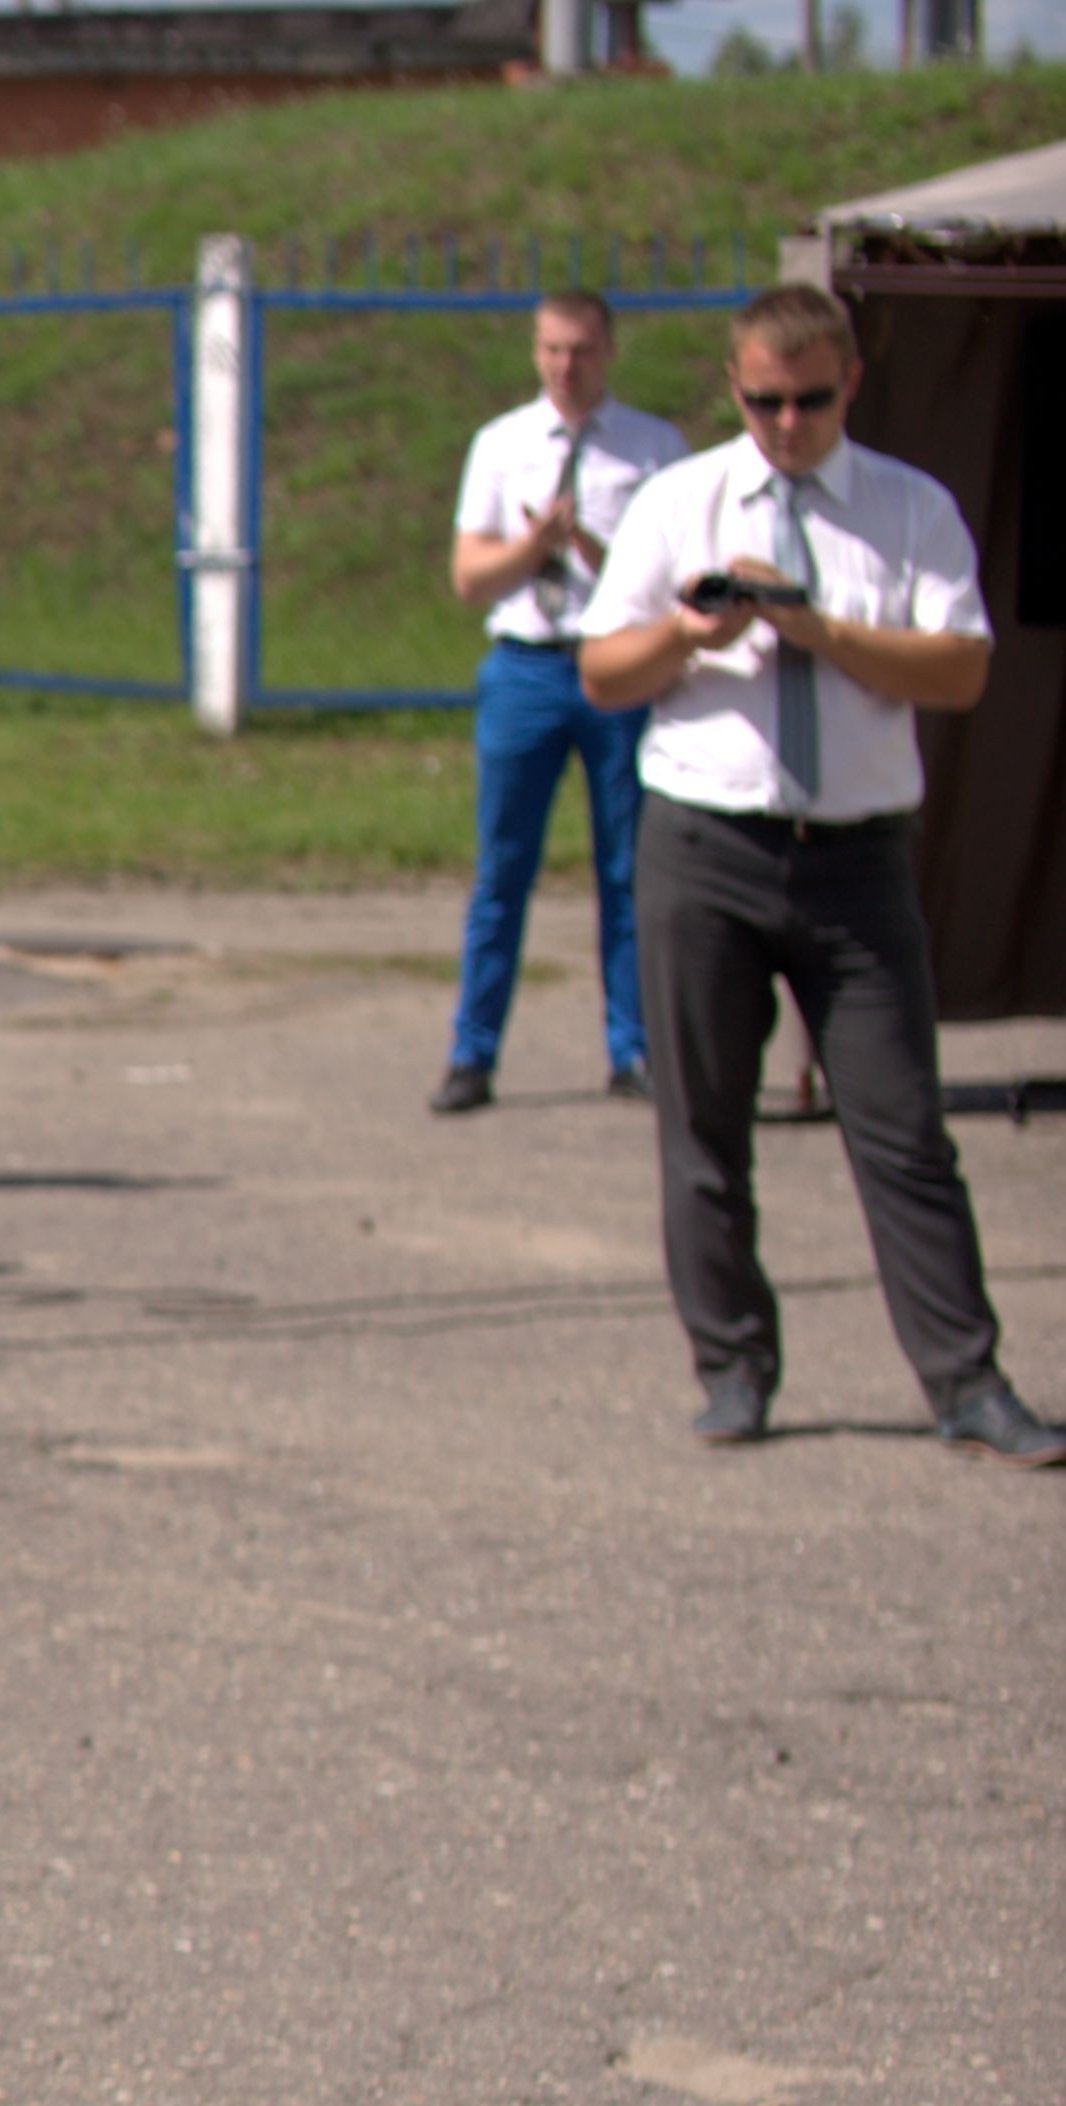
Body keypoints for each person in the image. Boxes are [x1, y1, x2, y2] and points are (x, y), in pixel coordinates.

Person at [570, 283, 1044, 1464]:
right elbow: (603, 672)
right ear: (734, 387)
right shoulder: (682, 501)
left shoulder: (906, 507)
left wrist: (820, 627)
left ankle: (968, 1383)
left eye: (812, 400)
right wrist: (692, 632)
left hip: (856, 856)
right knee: (704, 1129)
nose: (788, 424)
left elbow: (962, 673)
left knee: (902, 1129)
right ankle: (732, 1367)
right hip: (707, 844)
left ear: (852, 386)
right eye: (766, 400)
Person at [437, 290, 683, 1113]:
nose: (565, 367)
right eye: (550, 350)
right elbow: (470, 578)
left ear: (609, 351)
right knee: (504, 867)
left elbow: (669, 586)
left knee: (628, 867)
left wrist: (585, 546)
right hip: (526, 668)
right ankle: (473, 1054)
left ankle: (634, 1048)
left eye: (579, 350)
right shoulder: (502, 445)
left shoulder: (652, 451)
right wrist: (532, 547)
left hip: (612, 666)